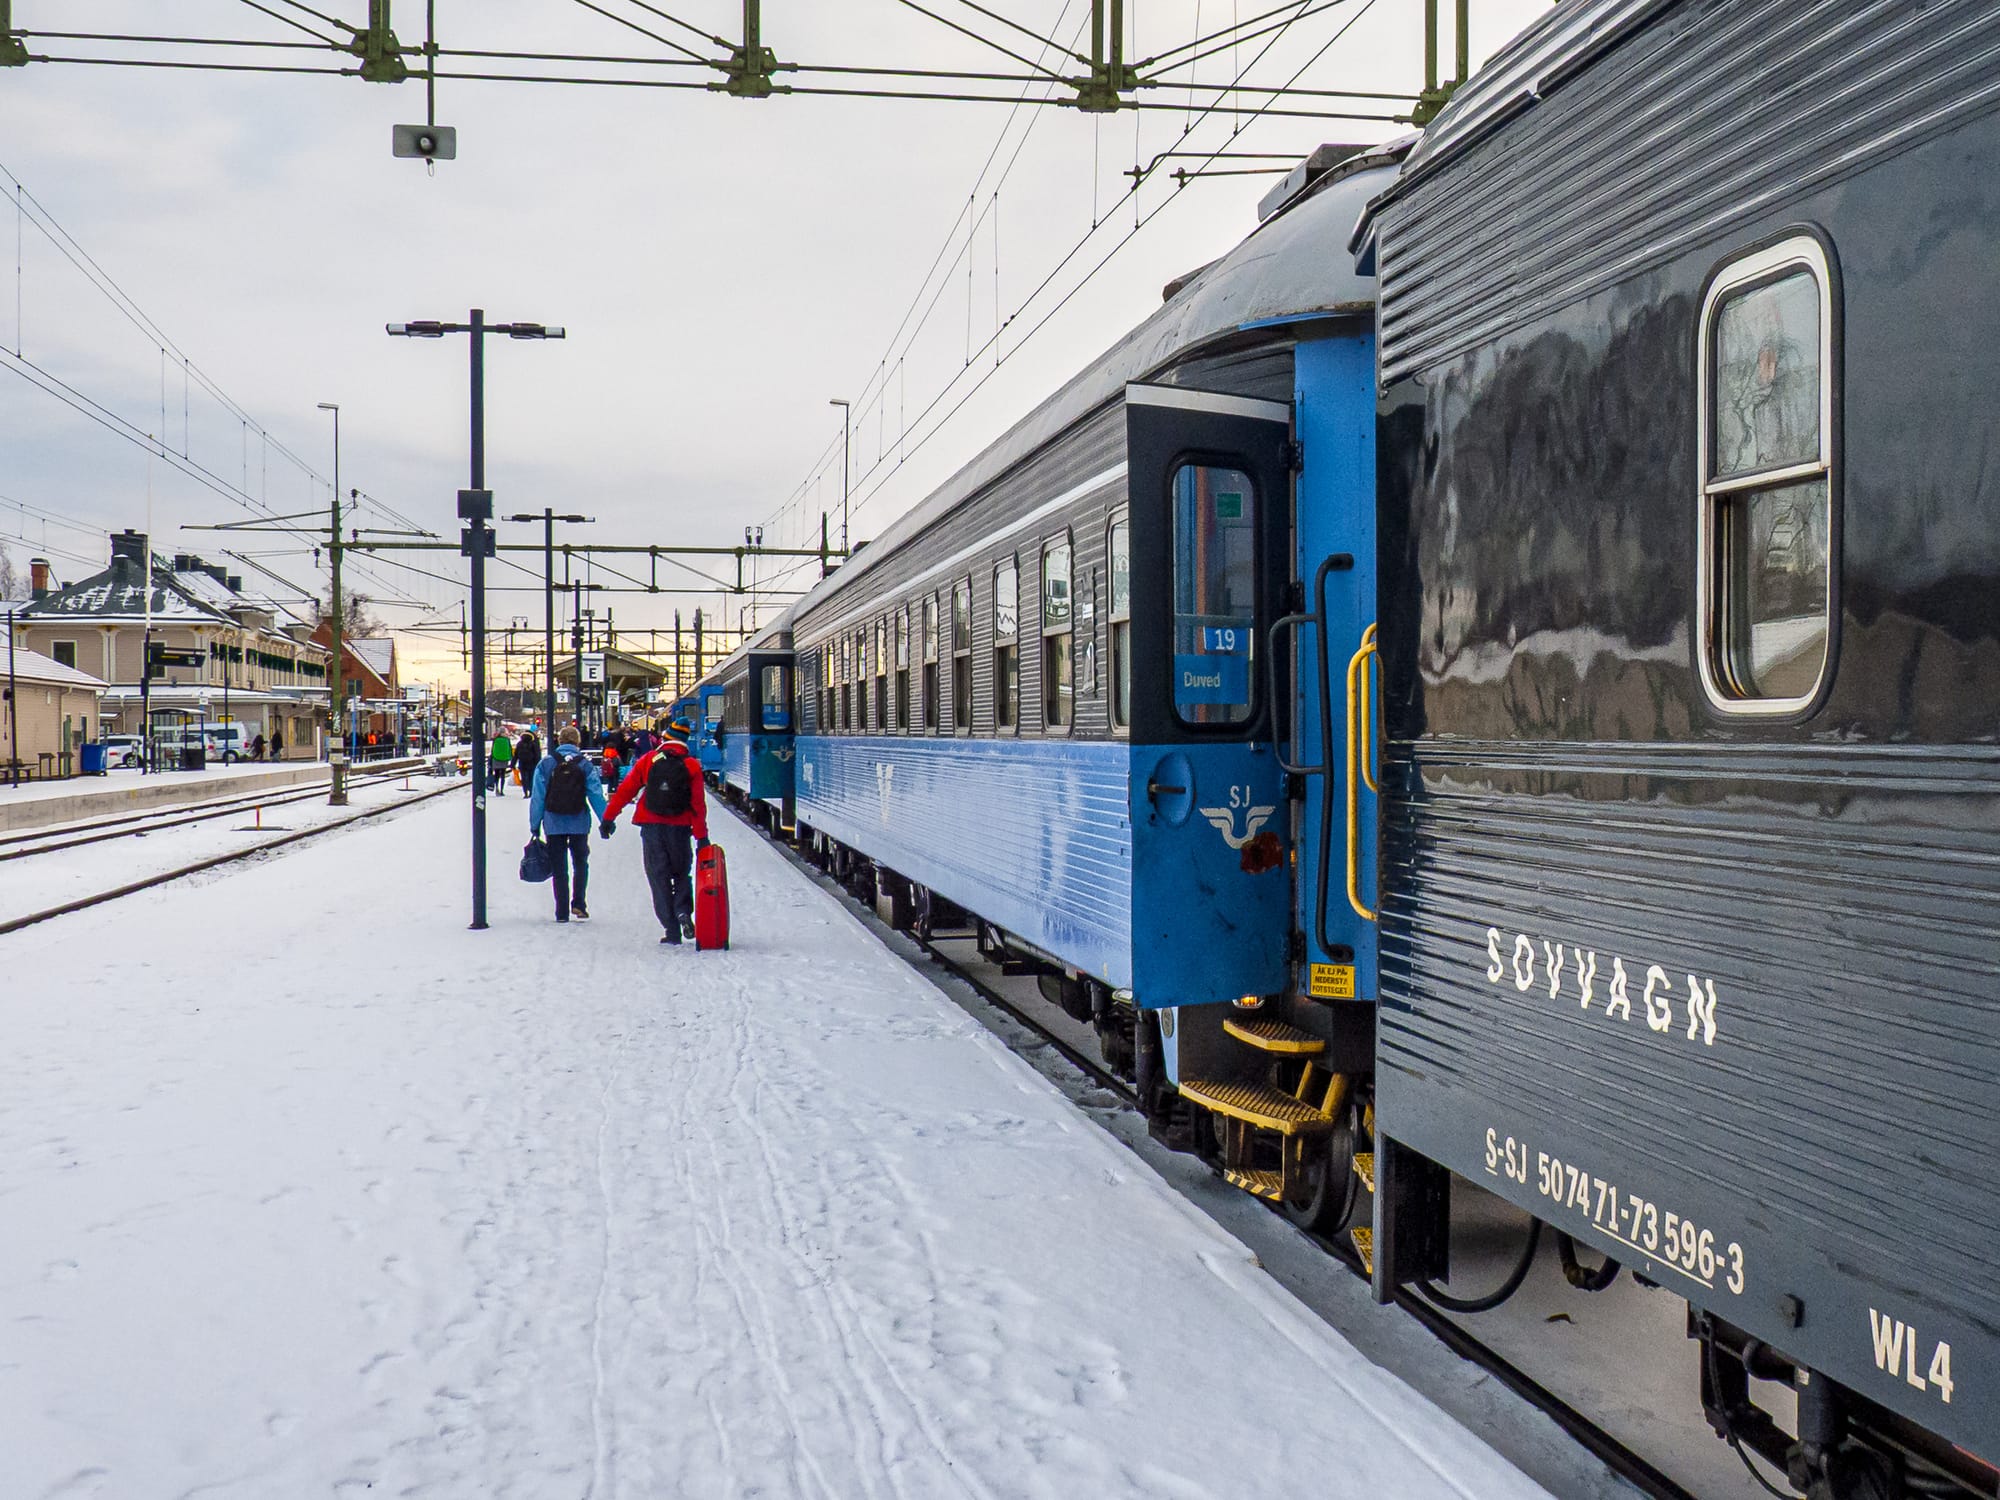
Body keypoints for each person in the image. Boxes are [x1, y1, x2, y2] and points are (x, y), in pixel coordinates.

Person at [601, 730, 709, 945]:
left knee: (658, 877)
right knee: (681, 873)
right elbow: (698, 804)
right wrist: (701, 837)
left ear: (663, 740)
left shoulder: (648, 760)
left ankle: (671, 929)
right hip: (680, 828)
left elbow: (626, 790)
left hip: (651, 826)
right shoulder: (691, 765)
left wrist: (608, 818)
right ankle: (683, 910)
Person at [529, 726, 607, 923]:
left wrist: (534, 824)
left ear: (559, 741)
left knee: (559, 868)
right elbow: (595, 793)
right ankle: (579, 903)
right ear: (577, 742)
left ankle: (561, 911)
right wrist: (606, 819)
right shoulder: (584, 764)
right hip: (579, 822)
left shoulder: (546, 763)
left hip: (553, 822)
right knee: (580, 863)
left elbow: (538, 797)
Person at [513, 728, 542, 793]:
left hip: (522, 763)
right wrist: (538, 763)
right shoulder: (533, 743)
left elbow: (516, 755)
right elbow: (537, 754)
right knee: (531, 777)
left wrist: (513, 764)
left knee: (524, 778)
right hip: (532, 764)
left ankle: (525, 791)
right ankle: (531, 791)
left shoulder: (519, 744)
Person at [489, 727, 514, 796]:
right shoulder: (507, 739)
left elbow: (492, 749)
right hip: (504, 759)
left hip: (496, 759)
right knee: (503, 775)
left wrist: (492, 757)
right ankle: (502, 790)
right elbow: (510, 749)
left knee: (496, 774)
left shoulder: (495, 739)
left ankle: (497, 788)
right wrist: (511, 758)